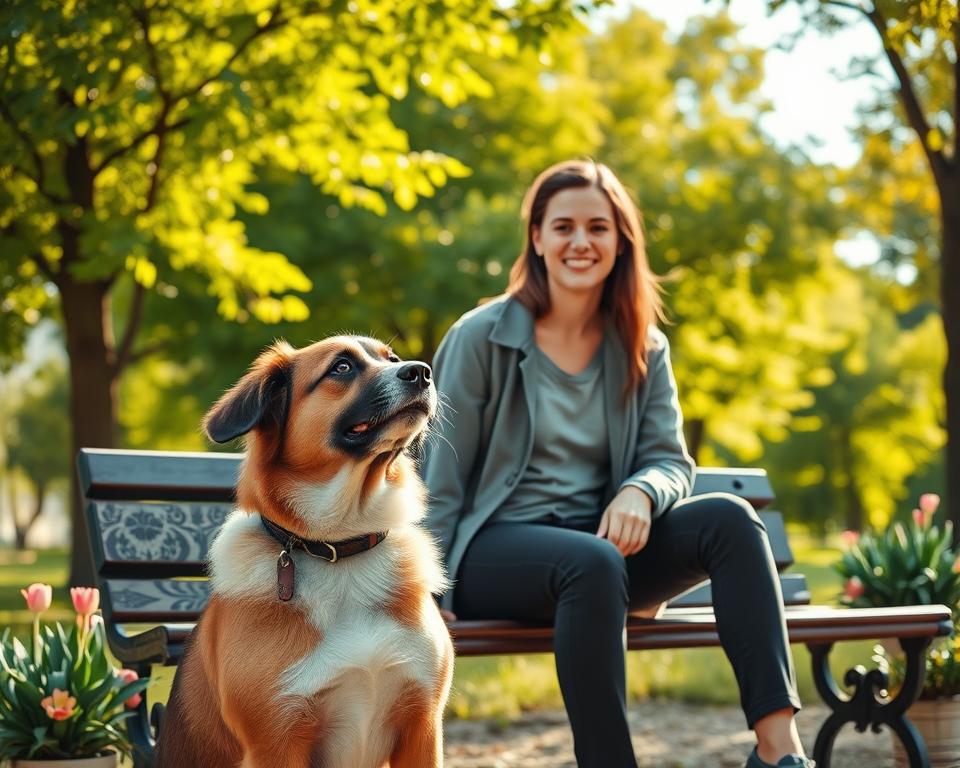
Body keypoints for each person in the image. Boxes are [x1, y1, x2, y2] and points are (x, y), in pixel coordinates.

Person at [420, 159, 812, 768]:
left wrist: (640, 492)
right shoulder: (481, 336)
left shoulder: (643, 345)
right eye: (564, 226)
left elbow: (668, 459)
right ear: (538, 239)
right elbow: (439, 479)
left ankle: (780, 752)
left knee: (731, 519)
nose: (581, 241)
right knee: (592, 561)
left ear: (620, 241)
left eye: (598, 227)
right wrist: (429, 588)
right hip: (494, 554)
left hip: (604, 553)